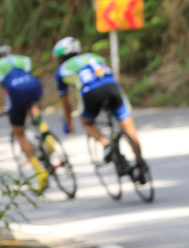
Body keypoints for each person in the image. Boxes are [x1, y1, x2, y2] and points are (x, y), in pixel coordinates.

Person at [52, 37, 146, 180]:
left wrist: (69, 123)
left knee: (87, 122)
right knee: (128, 127)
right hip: (112, 87)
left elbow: (66, 103)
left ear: (60, 58)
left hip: (90, 92)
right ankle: (141, 164)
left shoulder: (61, 71)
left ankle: (105, 143)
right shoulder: (93, 57)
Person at [0, 39, 51, 193]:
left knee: (19, 133)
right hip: (35, 87)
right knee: (31, 106)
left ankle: (40, 173)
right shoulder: (23, 59)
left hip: (16, 94)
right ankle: (49, 139)